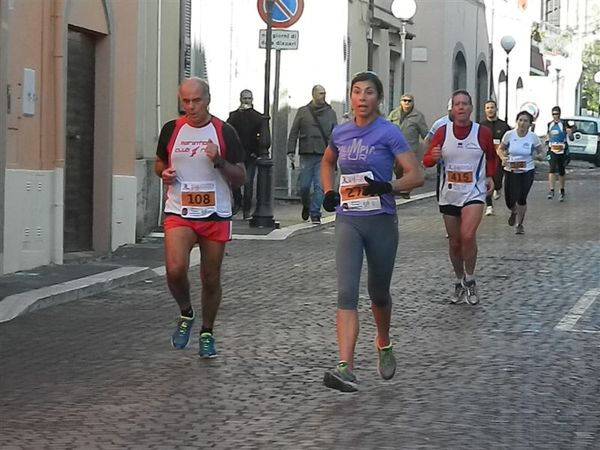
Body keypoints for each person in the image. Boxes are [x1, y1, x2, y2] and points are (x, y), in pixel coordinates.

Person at [320, 72, 424, 392]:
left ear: (379, 99)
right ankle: (346, 366)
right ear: (350, 98)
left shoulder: (389, 133)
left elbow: (416, 175)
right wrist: (327, 191)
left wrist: (387, 186)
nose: (362, 98)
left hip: (380, 219)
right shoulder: (341, 131)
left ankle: (383, 341)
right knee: (346, 292)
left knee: (378, 292)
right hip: (348, 218)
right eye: (356, 92)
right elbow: (327, 162)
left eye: (368, 93)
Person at [155, 77, 246, 358]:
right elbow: (160, 162)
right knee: (175, 269)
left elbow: (241, 177)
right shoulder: (172, 129)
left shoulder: (224, 131)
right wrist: (163, 173)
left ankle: (207, 331)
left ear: (208, 99)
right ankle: (186, 312)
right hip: (179, 210)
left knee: (210, 277)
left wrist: (219, 160)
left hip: (215, 212)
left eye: (196, 101)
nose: (191, 107)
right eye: (186, 101)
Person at [422, 90, 495, 305]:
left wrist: (490, 176)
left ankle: (470, 278)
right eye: (457, 104)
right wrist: (432, 157)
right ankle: (459, 279)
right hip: (449, 193)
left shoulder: (482, 133)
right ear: (452, 110)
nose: (461, 108)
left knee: (467, 235)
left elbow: (491, 156)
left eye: (465, 104)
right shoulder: (443, 132)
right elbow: (426, 160)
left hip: (474, 192)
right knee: (454, 243)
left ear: (471, 108)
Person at [287, 85, 338, 224]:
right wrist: (290, 150)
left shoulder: (330, 113)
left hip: (324, 154)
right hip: (306, 152)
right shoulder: (303, 111)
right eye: (321, 93)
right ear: (313, 94)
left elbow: (336, 134)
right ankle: (306, 205)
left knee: (319, 185)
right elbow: (294, 131)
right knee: (304, 186)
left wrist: (337, 153)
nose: (323, 96)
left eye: (325, 93)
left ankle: (315, 212)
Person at [496, 110, 544, 234]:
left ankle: (520, 225)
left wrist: (539, 156)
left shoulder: (533, 137)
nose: (522, 123)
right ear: (517, 122)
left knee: (522, 198)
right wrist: (503, 158)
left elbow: (541, 152)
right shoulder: (509, 135)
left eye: (525, 121)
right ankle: (513, 210)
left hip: (527, 170)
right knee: (509, 200)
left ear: (530, 124)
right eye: (520, 120)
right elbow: (500, 149)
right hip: (511, 170)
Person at [227, 89, 266, 220]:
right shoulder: (233, 116)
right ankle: (238, 203)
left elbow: (262, 136)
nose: (247, 101)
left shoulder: (258, 117)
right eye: (245, 98)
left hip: (251, 155)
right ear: (240, 99)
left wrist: (257, 152)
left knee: (248, 183)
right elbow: (228, 133)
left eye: (249, 98)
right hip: (236, 155)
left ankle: (246, 210)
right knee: (235, 182)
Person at [387, 93, 429, 198]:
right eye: (404, 100)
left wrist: (428, 150)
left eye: (409, 101)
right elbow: (386, 128)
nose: (407, 103)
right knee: (396, 170)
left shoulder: (418, 116)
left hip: (410, 149)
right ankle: (398, 187)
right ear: (400, 102)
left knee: (408, 170)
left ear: (413, 103)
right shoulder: (394, 114)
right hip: (394, 149)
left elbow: (425, 134)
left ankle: (405, 191)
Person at [479, 100, 511, 216]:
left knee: (497, 180)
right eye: (487, 108)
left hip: (499, 158)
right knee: (487, 181)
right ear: (485, 110)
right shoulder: (481, 126)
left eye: (492, 107)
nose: (490, 110)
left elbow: (509, 140)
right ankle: (489, 206)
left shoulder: (503, 126)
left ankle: (498, 187)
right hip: (485, 158)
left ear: (496, 109)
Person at [546, 106, 573, 202]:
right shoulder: (549, 124)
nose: (555, 116)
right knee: (552, 169)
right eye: (553, 114)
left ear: (559, 114)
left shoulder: (564, 124)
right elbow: (548, 135)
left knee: (561, 171)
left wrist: (570, 134)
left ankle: (562, 190)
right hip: (552, 149)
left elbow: (572, 138)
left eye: (556, 114)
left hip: (562, 150)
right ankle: (551, 190)